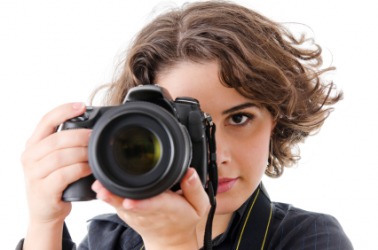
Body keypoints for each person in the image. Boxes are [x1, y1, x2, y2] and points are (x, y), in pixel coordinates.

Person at [18, 1, 353, 249]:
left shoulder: (311, 238)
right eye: (188, 124)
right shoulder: (109, 238)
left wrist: (172, 242)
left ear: (274, 123)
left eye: (239, 118)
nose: (217, 154)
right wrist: (45, 222)